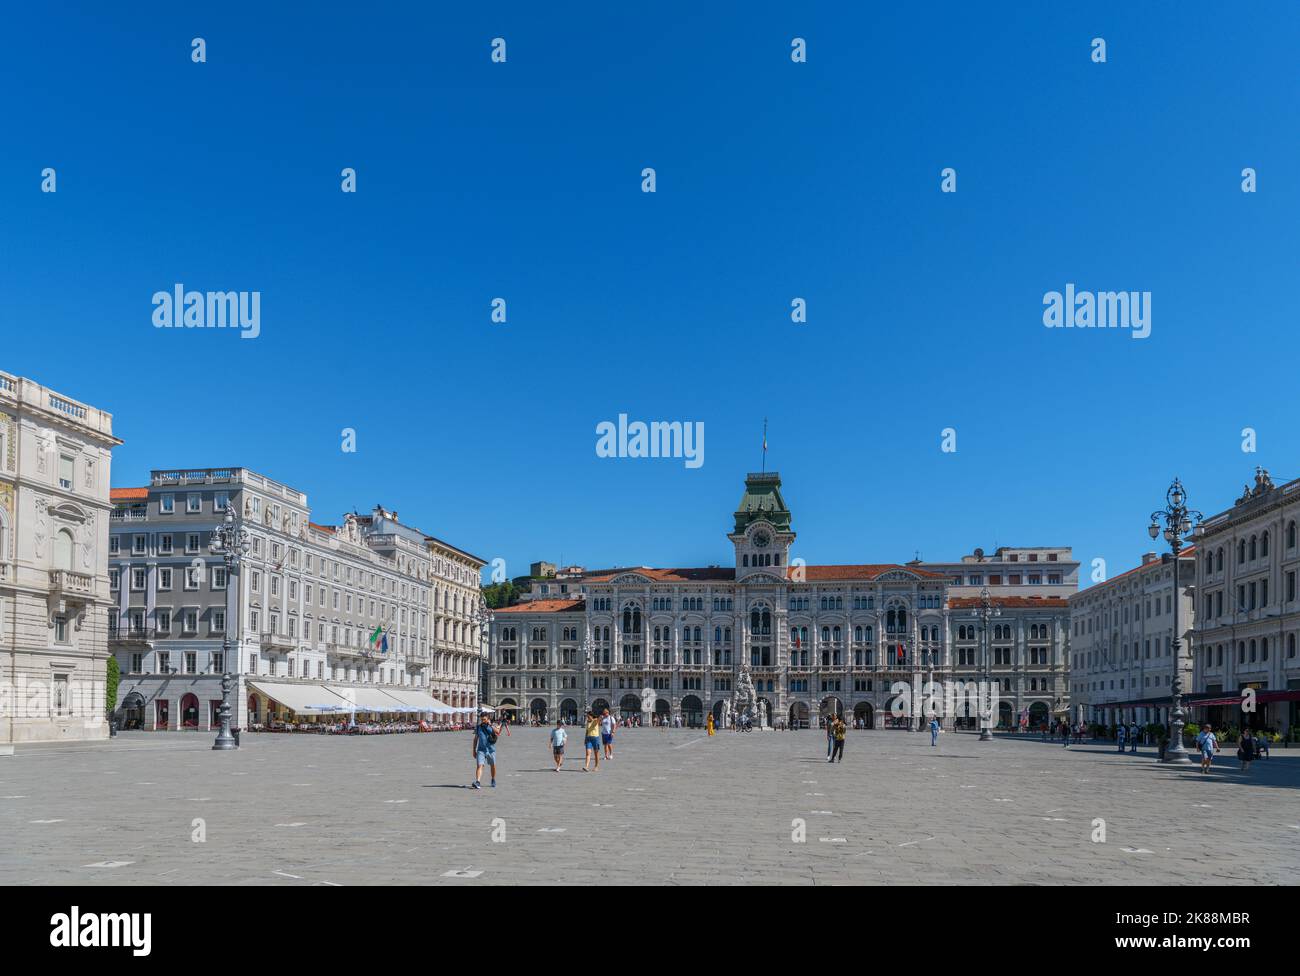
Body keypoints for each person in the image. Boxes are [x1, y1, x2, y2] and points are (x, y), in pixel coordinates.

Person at [471, 711, 502, 789]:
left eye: (484, 719)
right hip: (481, 750)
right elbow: (475, 739)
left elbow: (498, 732)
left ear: (488, 719)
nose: (483, 721)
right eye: (482, 719)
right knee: (479, 765)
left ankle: (493, 779)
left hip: (491, 750)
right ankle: (477, 782)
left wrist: (490, 725)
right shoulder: (479, 727)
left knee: (493, 766)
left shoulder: (492, 726)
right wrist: (474, 750)